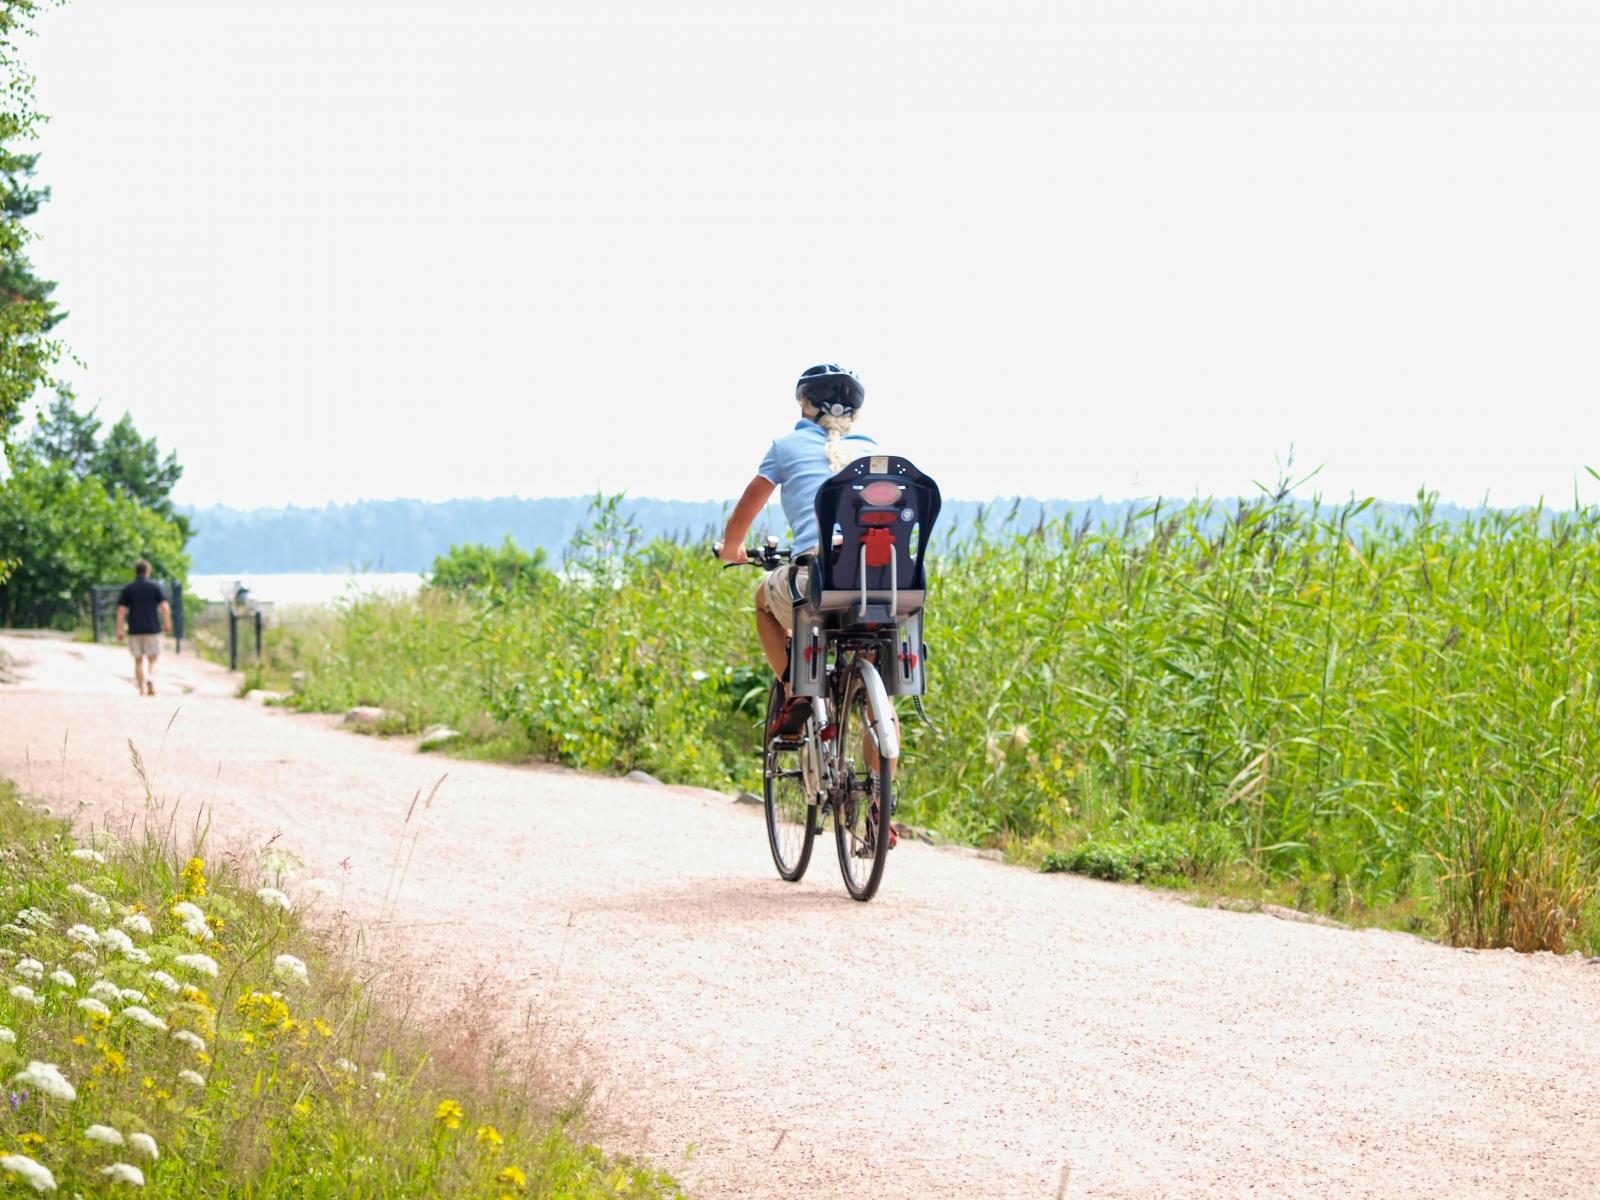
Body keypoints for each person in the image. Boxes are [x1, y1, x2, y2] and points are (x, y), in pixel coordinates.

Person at [719, 364, 877, 734]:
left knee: (763, 600)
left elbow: (745, 512)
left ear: (805, 405)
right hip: (884, 588)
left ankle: (796, 691)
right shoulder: (872, 451)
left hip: (817, 582)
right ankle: (881, 789)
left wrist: (733, 547)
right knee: (876, 705)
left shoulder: (785, 447)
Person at [115, 559, 172, 697]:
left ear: (136, 571)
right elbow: (165, 607)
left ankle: (141, 688)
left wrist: (120, 629)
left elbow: (121, 611)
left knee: (138, 660)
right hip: (152, 628)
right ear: (148, 571)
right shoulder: (155, 586)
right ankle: (151, 678)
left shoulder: (129, 588)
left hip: (134, 629)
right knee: (153, 659)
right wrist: (167, 623)